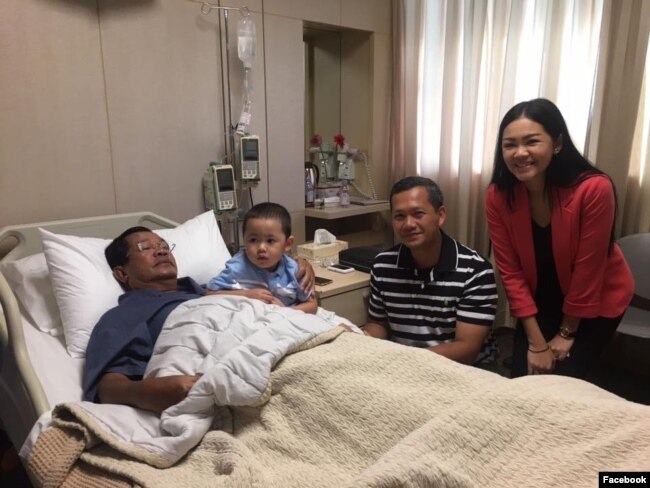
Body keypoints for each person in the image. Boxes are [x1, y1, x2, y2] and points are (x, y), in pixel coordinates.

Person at [82, 224, 315, 412]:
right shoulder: (121, 316)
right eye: (145, 247)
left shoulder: (207, 291)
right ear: (122, 273)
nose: (162, 250)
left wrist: (297, 264)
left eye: (164, 245)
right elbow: (107, 387)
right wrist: (150, 392)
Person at [485, 98, 634, 379]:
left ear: (556, 143)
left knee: (566, 382)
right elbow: (510, 271)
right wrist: (535, 341)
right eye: (510, 145)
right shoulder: (498, 196)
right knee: (523, 378)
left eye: (531, 141)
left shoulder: (593, 188)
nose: (520, 153)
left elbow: (588, 271)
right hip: (540, 298)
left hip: (595, 300)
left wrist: (566, 333)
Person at [364, 176, 498, 365]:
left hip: (462, 370)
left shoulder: (475, 271)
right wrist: (362, 338)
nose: (409, 224)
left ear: (440, 215)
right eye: (399, 216)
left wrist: (407, 361)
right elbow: (379, 323)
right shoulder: (383, 265)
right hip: (404, 368)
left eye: (418, 213)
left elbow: (467, 348)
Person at [206, 202, 317, 314]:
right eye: (253, 240)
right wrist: (246, 295)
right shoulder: (237, 267)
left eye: (270, 241)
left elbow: (312, 306)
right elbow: (209, 293)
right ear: (244, 241)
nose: (261, 248)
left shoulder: (295, 271)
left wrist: (284, 312)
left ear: (287, 244)